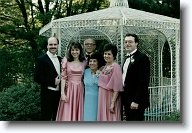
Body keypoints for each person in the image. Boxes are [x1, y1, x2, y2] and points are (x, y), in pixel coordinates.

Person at [121, 33, 150, 121]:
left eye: (130, 42)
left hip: (135, 100)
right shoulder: (126, 58)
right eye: (125, 42)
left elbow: (143, 81)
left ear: (136, 43)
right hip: (126, 97)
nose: (127, 44)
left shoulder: (142, 58)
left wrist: (136, 100)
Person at [56, 40, 86, 121]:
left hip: (80, 89)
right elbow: (63, 77)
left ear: (80, 50)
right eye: (72, 50)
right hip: (69, 89)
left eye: (76, 50)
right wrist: (62, 93)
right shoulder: (66, 61)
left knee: (78, 110)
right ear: (69, 50)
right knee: (67, 110)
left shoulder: (84, 62)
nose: (74, 52)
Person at [34, 37, 62, 121]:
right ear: (47, 46)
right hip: (47, 94)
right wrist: (53, 81)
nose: (53, 46)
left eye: (55, 44)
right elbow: (37, 77)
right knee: (46, 118)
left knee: (57, 118)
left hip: (59, 95)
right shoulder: (41, 59)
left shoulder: (60, 59)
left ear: (57, 45)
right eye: (51, 44)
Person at [97, 43, 124, 121]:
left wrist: (112, 102)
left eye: (109, 54)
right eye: (105, 54)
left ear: (114, 55)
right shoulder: (105, 66)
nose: (106, 56)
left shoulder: (116, 67)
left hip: (110, 96)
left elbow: (117, 87)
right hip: (102, 96)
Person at [83, 52, 105, 121]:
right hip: (86, 100)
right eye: (90, 61)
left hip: (98, 100)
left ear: (99, 62)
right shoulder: (85, 71)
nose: (92, 63)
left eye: (94, 61)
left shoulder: (102, 72)